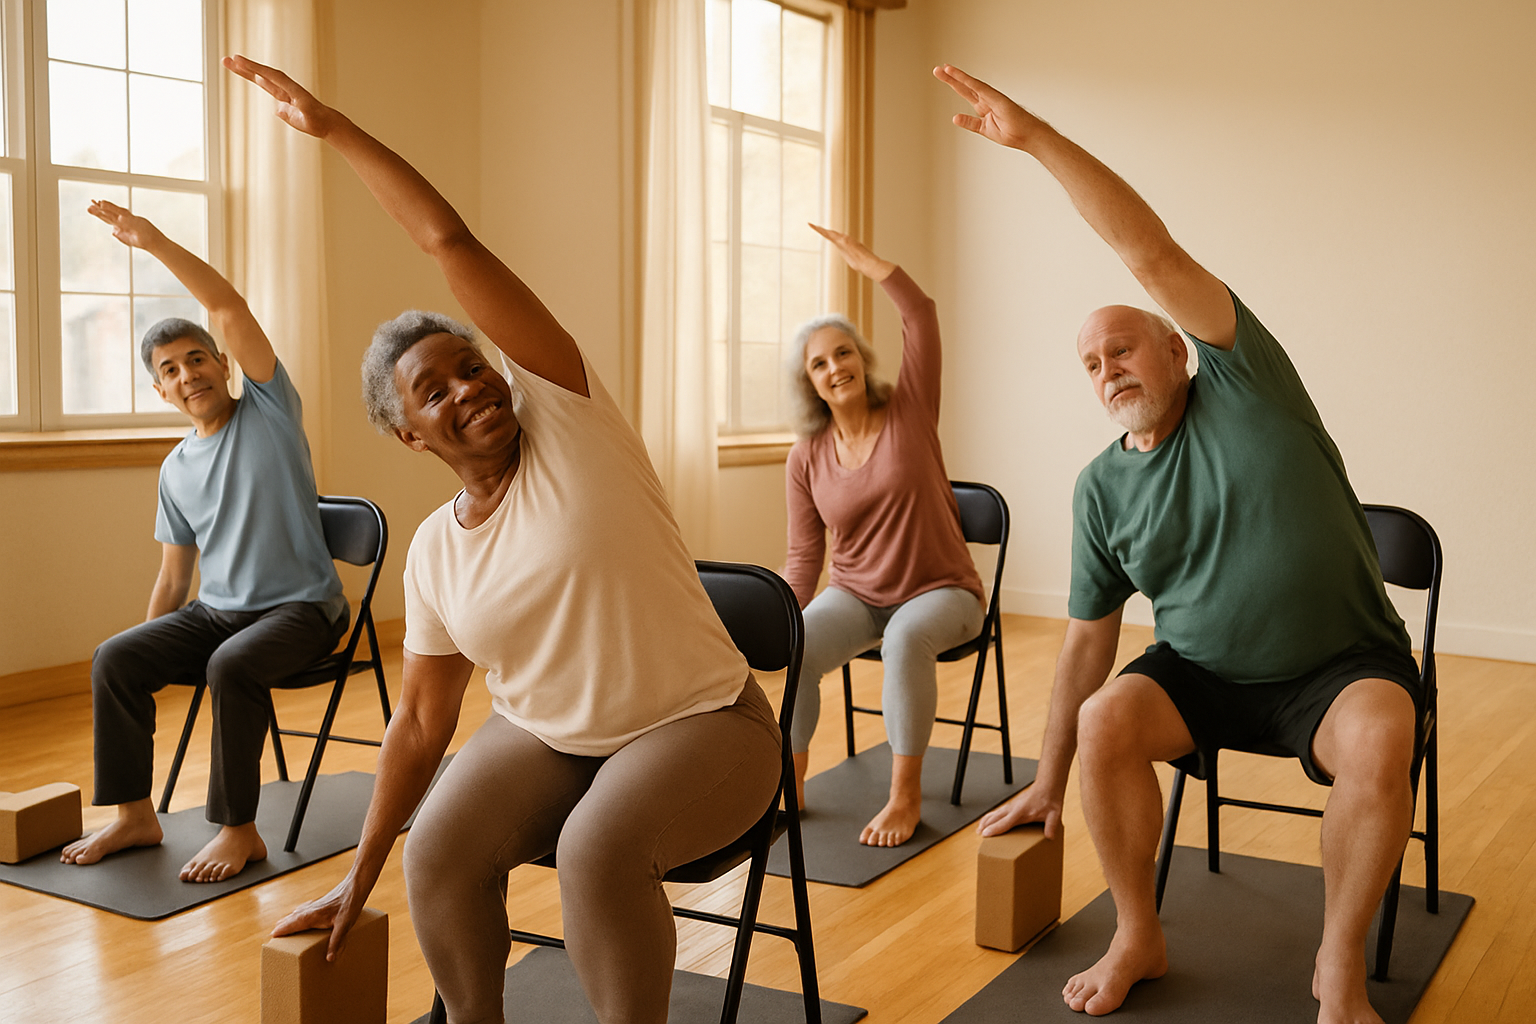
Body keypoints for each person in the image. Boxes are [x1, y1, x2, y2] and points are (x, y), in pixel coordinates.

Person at [224, 56, 782, 1024]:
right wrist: (360, 879)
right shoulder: (437, 549)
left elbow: (448, 239)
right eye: (432, 391)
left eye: (469, 367)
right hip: (552, 737)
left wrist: (337, 132)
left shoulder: (569, 420)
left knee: (595, 850)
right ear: (409, 435)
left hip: (703, 723)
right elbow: (419, 726)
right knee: (437, 846)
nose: (467, 389)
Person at [938, 65, 1421, 1024]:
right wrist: (1044, 777)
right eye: (1089, 362)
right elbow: (1085, 641)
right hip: (1200, 676)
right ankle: (1137, 935)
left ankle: (1338, 968)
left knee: (1383, 735)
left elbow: (1148, 251)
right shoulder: (1099, 489)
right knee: (1105, 721)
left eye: (1123, 347)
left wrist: (1035, 139)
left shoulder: (1248, 382)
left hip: (1338, 669)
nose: (1107, 367)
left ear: (1177, 351)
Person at [59, 202, 349, 883]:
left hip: (303, 612)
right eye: (170, 368)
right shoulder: (175, 468)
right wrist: (146, 657)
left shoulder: (272, 413)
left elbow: (226, 302)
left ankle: (239, 831)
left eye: (198, 359)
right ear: (160, 390)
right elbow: (172, 581)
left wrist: (154, 241)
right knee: (114, 657)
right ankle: (134, 814)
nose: (188, 373)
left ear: (224, 365)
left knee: (231, 666)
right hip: (218, 612)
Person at [783, 225, 985, 848]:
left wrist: (871, 265)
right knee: (801, 648)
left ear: (861, 359)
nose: (834, 367)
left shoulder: (911, 409)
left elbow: (920, 315)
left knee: (904, 637)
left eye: (842, 352)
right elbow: (804, 555)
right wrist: (784, 617)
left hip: (943, 592)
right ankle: (788, 787)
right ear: (811, 383)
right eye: (820, 363)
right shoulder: (807, 456)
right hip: (856, 595)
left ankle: (904, 796)